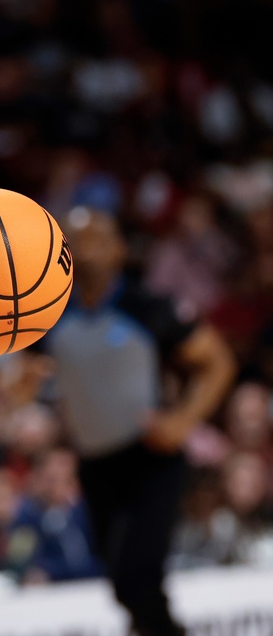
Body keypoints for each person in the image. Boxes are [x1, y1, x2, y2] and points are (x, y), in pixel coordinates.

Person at [40, 206, 236, 636]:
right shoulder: (49, 315)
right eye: (74, 240)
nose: (85, 251)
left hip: (151, 458)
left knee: (137, 577)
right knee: (121, 582)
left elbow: (217, 363)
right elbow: (49, 377)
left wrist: (184, 420)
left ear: (119, 249)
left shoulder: (147, 307)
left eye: (96, 239)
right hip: (93, 465)